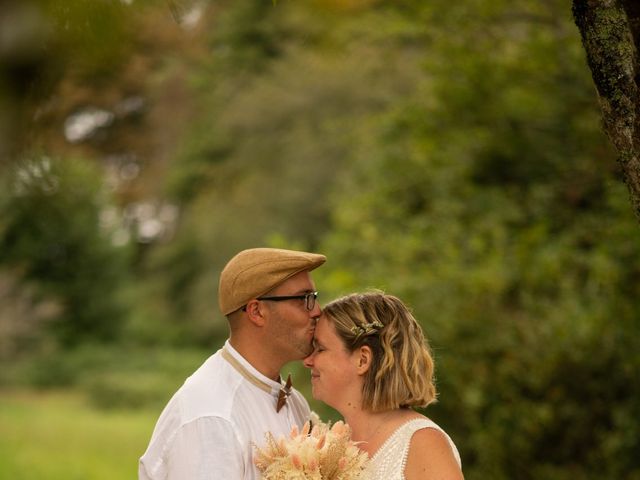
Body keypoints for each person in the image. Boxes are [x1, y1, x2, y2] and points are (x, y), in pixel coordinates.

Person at [139, 247, 326, 480]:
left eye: (314, 298)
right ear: (257, 311)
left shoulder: (294, 401)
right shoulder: (212, 416)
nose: (317, 311)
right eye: (304, 299)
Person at [304, 291, 464, 480]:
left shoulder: (423, 443)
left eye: (320, 349)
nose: (308, 360)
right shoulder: (332, 446)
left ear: (362, 360)